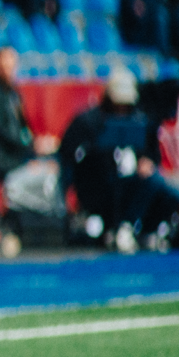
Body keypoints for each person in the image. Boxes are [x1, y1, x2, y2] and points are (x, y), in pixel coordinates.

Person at [58, 71, 179, 252]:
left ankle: (150, 229)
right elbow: (70, 156)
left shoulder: (140, 121)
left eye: (126, 105)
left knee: (166, 189)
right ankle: (125, 226)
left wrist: (146, 161)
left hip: (136, 183)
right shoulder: (88, 122)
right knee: (151, 183)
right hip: (102, 187)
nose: (121, 109)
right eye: (117, 104)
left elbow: (152, 154)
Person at [0, 46, 57, 186]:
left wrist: (36, 143)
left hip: (22, 154)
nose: (9, 69)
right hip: (8, 160)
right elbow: (0, 129)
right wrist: (29, 146)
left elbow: (23, 127)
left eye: (11, 65)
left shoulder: (14, 93)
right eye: (5, 65)